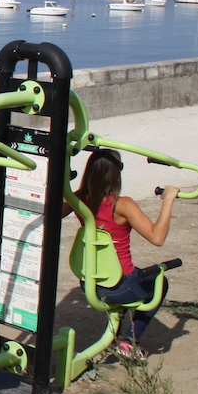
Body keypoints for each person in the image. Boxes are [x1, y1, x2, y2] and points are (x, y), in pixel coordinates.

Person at [70, 148, 179, 358]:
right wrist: (168, 201)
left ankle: (116, 334)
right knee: (160, 282)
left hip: (90, 283)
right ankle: (129, 342)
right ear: (116, 173)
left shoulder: (79, 199)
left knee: (132, 275)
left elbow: (53, 211)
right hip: (119, 287)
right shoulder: (122, 205)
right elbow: (157, 238)